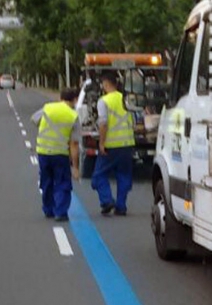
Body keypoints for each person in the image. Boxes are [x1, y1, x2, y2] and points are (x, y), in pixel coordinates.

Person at [31, 88, 81, 221]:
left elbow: (34, 119)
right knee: (62, 183)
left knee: (46, 181)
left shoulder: (48, 108)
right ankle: (60, 211)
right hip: (60, 154)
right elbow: (74, 143)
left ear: (60, 97)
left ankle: (48, 209)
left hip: (43, 152)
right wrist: (75, 167)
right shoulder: (73, 116)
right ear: (75, 100)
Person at [91, 71, 135, 216]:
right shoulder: (127, 99)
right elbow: (133, 121)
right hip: (127, 143)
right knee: (123, 175)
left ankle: (107, 200)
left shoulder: (104, 101)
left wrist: (102, 143)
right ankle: (121, 206)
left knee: (99, 175)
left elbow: (103, 123)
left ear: (105, 84)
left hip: (111, 145)